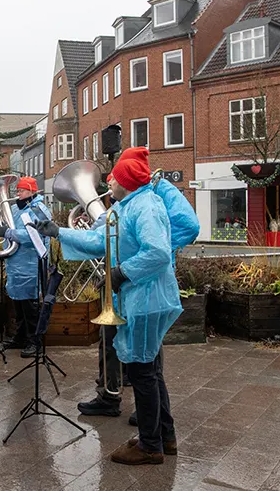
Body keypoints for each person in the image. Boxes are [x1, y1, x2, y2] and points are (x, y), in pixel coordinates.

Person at [34, 156, 182, 465]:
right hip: (142, 298)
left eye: (113, 178)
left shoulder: (145, 207)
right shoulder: (127, 207)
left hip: (146, 298)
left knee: (143, 373)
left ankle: (150, 445)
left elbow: (157, 253)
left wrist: (122, 272)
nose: (108, 183)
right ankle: (164, 437)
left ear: (126, 182)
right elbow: (97, 239)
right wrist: (59, 232)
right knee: (150, 371)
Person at [79, 148, 199, 422]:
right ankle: (114, 395)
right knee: (117, 343)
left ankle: (150, 416)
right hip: (127, 280)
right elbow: (117, 223)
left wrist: (149, 253)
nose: (112, 179)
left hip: (142, 282)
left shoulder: (157, 190)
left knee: (148, 361)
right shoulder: (134, 196)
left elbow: (189, 227)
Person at [0, 177, 52, 358]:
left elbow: (35, 236)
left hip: (30, 266)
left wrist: (9, 233)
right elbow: (6, 231)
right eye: (17, 190)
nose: (17, 193)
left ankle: (34, 341)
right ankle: (20, 337)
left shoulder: (39, 210)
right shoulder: (13, 209)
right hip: (15, 265)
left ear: (32, 191)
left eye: (21, 190)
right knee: (18, 304)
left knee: (30, 306)